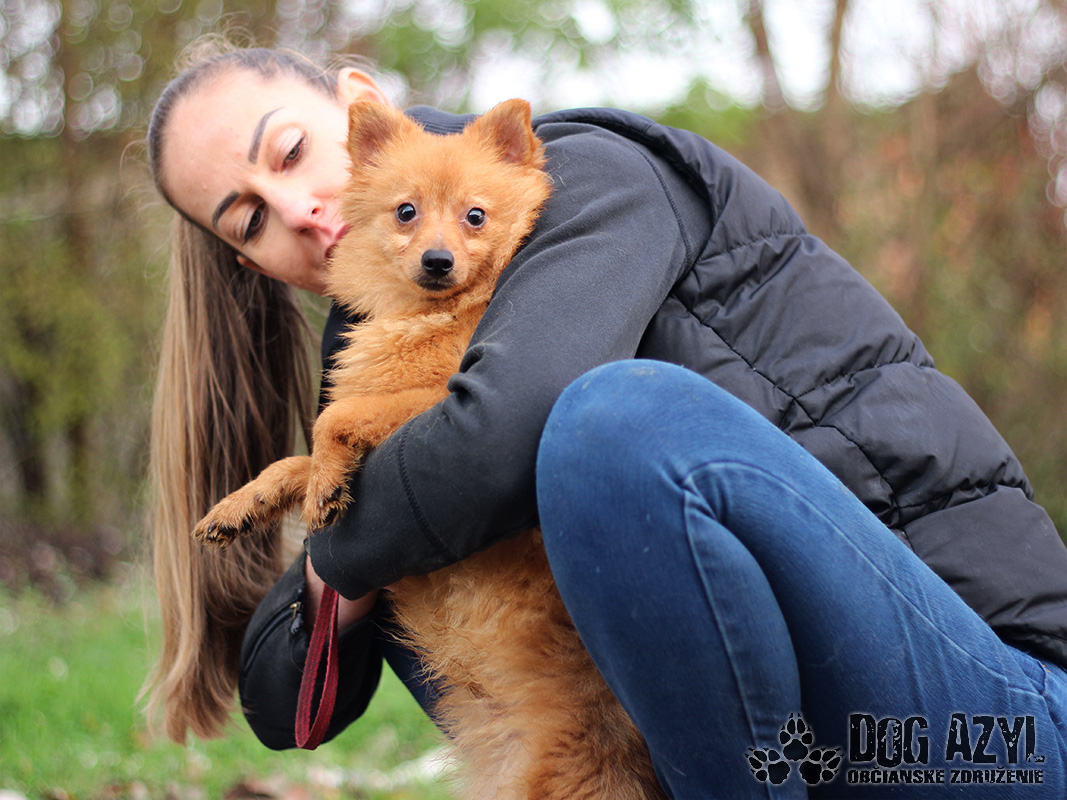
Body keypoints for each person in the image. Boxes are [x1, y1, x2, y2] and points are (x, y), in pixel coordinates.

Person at [143, 37, 1067, 798]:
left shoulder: (584, 173)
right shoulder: (376, 345)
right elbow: (281, 701)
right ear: (250, 263)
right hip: (789, 754)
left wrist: (346, 533)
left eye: (291, 152)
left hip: (996, 720)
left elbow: (503, 436)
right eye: (248, 221)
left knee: (609, 424)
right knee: (455, 568)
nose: (298, 209)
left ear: (359, 106)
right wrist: (345, 535)